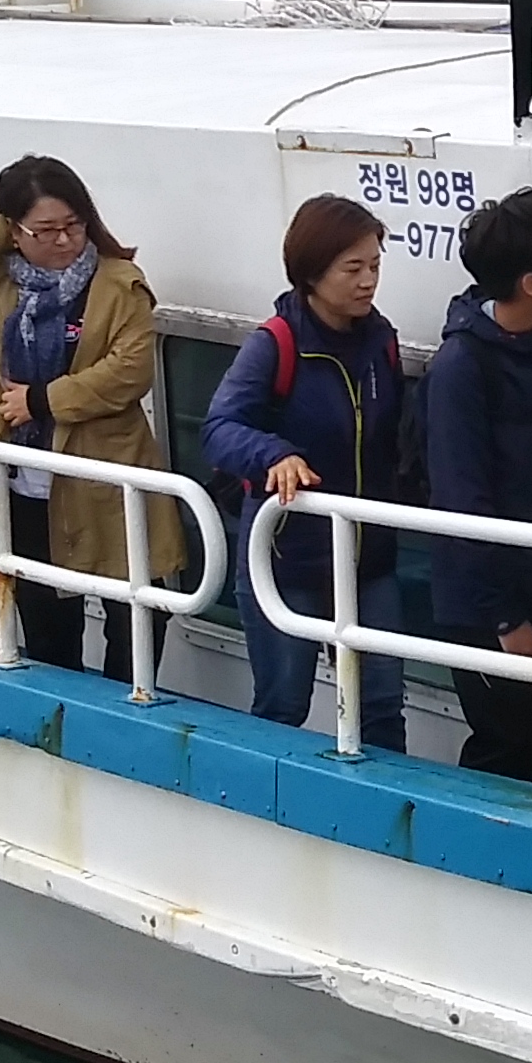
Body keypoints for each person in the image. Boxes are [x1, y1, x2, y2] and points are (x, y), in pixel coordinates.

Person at [0, 156, 180, 677]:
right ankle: (63, 710)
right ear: (15, 231)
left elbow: (129, 372)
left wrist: (42, 400)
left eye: (74, 225)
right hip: (25, 482)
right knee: (47, 624)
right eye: (45, 229)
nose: (64, 241)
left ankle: (126, 707)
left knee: (137, 614)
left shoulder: (119, 283)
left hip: (106, 475)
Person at [204, 195, 416, 749]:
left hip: (369, 558)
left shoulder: (382, 341)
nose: (368, 281)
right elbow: (220, 427)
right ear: (312, 273)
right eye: (353, 268)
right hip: (287, 558)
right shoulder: (276, 344)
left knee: (381, 707)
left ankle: (380, 801)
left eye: (375, 265)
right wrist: (274, 455)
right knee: (283, 703)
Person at [424, 188, 532, 787]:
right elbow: (460, 501)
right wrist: (504, 619)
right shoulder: (460, 370)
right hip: (492, 607)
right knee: (510, 747)